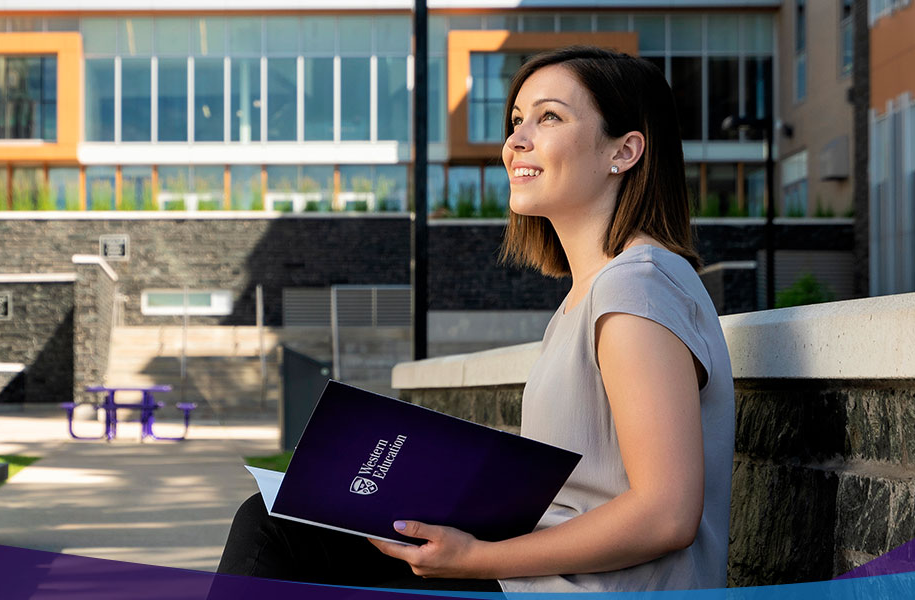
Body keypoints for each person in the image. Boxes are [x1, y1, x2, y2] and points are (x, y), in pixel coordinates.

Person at [215, 45, 735, 594]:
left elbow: (666, 514)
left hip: (588, 590)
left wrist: (478, 558)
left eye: (550, 116)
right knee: (292, 519)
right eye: (516, 121)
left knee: (276, 533)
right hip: (542, 580)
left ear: (625, 151)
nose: (516, 141)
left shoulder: (637, 287)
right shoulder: (593, 293)